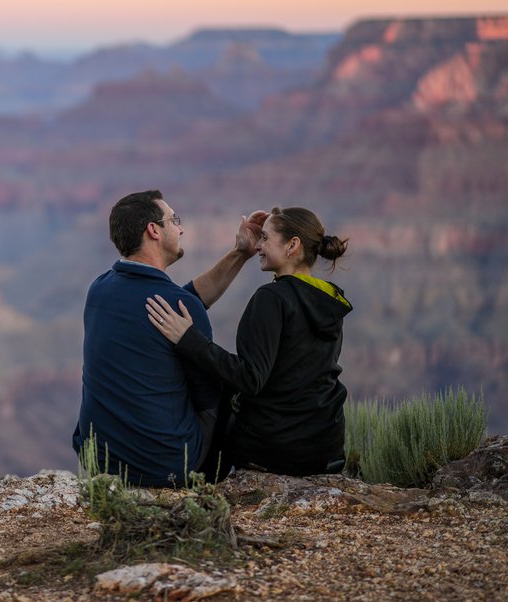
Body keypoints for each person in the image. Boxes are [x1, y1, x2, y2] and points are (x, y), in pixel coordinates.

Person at [71, 189, 267, 487]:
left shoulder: (98, 290)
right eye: (174, 220)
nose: (182, 227)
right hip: (164, 466)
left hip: (99, 458)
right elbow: (206, 396)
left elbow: (185, 300)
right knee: (235, 384)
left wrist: (240, 253)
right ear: (154, 230)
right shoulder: (179, 305)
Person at [146, 206, 351, 476]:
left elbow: (249, 378)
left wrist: (188, 339)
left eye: (265, 238)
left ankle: (186, 484)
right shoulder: (329, 299)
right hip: (324, 448)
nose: (258, 247)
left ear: (292, 245)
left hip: (276, 450)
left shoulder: (272, 298)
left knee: (209, 393)